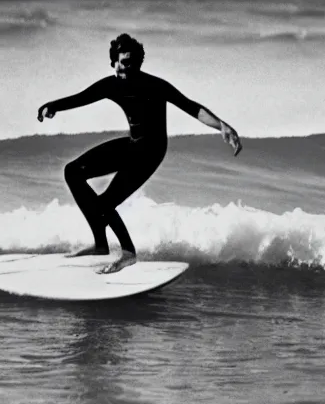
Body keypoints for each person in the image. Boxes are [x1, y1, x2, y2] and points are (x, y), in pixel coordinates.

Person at [37, 33, 242, 274]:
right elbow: (82, 98)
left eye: (134, 62)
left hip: (151, 152)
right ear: (114, 61)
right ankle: (101, 245)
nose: (129, 67)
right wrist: (53, 106)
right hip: (133, 145)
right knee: (72, 172)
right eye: (124, 62)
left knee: (104, 203)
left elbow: (191, 107)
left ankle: (128, 253)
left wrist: (222, 126)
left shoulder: (155, 85)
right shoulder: (111, 85)